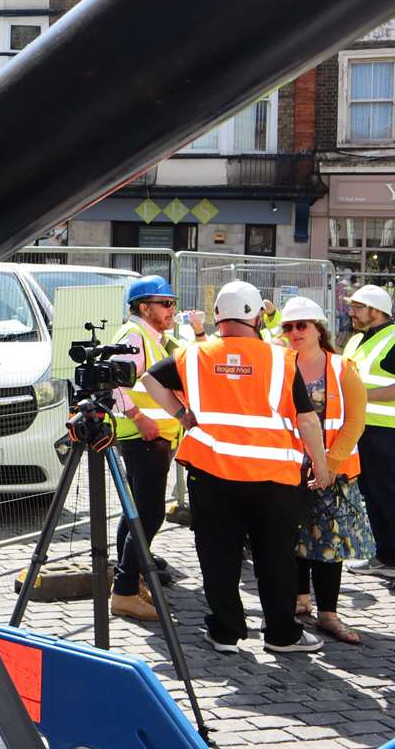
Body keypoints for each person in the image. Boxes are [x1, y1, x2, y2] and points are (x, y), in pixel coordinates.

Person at [141, 280, 332, 654]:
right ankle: (281, 634)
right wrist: (321, 466)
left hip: (211, 473)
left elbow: (149, 378)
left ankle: (226, 631)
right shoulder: (280, 359)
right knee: (275, 556)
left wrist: (182, 415)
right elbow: (308, 421)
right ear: (256, 316)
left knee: (218, 553)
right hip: (273, 477)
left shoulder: (194, 355)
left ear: (218, 317)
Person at [281, 297, 371, 643]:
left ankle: (328, 613)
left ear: (319, 329)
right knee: (294, 540)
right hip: (290, 470)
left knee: (329, 545)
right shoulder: (281, 364)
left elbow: (355, 421)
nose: (294, 333)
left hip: (334, 473)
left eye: (301, 325)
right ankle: (300, 600)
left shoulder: (341, 367)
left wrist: (330, 464)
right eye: (287, 327)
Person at [340, 284, 395, 591]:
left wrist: (364, 396)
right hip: (360, 428)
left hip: (387, 430)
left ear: (375, 311)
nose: (351, 312)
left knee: (387, 493)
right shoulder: (356, 340)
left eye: (357, 307)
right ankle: (387, 558)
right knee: (371, 492)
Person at [108, 276, 186, 622]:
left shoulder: (154, 338)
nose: (172, 309)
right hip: (144, 437)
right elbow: (114, 383)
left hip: (153, 437)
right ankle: (125, 590)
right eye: (165, 303)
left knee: (137, 510)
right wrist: (139, 418)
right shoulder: (135, 336)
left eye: (172, 303)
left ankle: (131, 573)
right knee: (150, 513)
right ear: (144, 307)